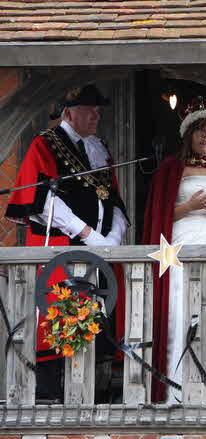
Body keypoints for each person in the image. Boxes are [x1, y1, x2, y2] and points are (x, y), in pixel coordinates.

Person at [4, 84, 129, 401]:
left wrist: (111, 240)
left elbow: (113, 200)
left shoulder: (99, 147)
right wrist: (89, 236)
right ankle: (53, 391)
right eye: (91, 108)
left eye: (99, 109)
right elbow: (44, 202)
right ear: (69, 112)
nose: (97, 114)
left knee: (96, 318)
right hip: (61, 249)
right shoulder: (45, 144)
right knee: (60, 315)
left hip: (99, 254)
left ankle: (95, 391)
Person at [142, 97, 206, 404]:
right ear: (188, 135)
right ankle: (174, 390)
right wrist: (190, 206)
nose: (205, 136)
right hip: (177, 248)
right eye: (199, 130)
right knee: (178, 311)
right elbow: (158, 215)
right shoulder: (170, 169)